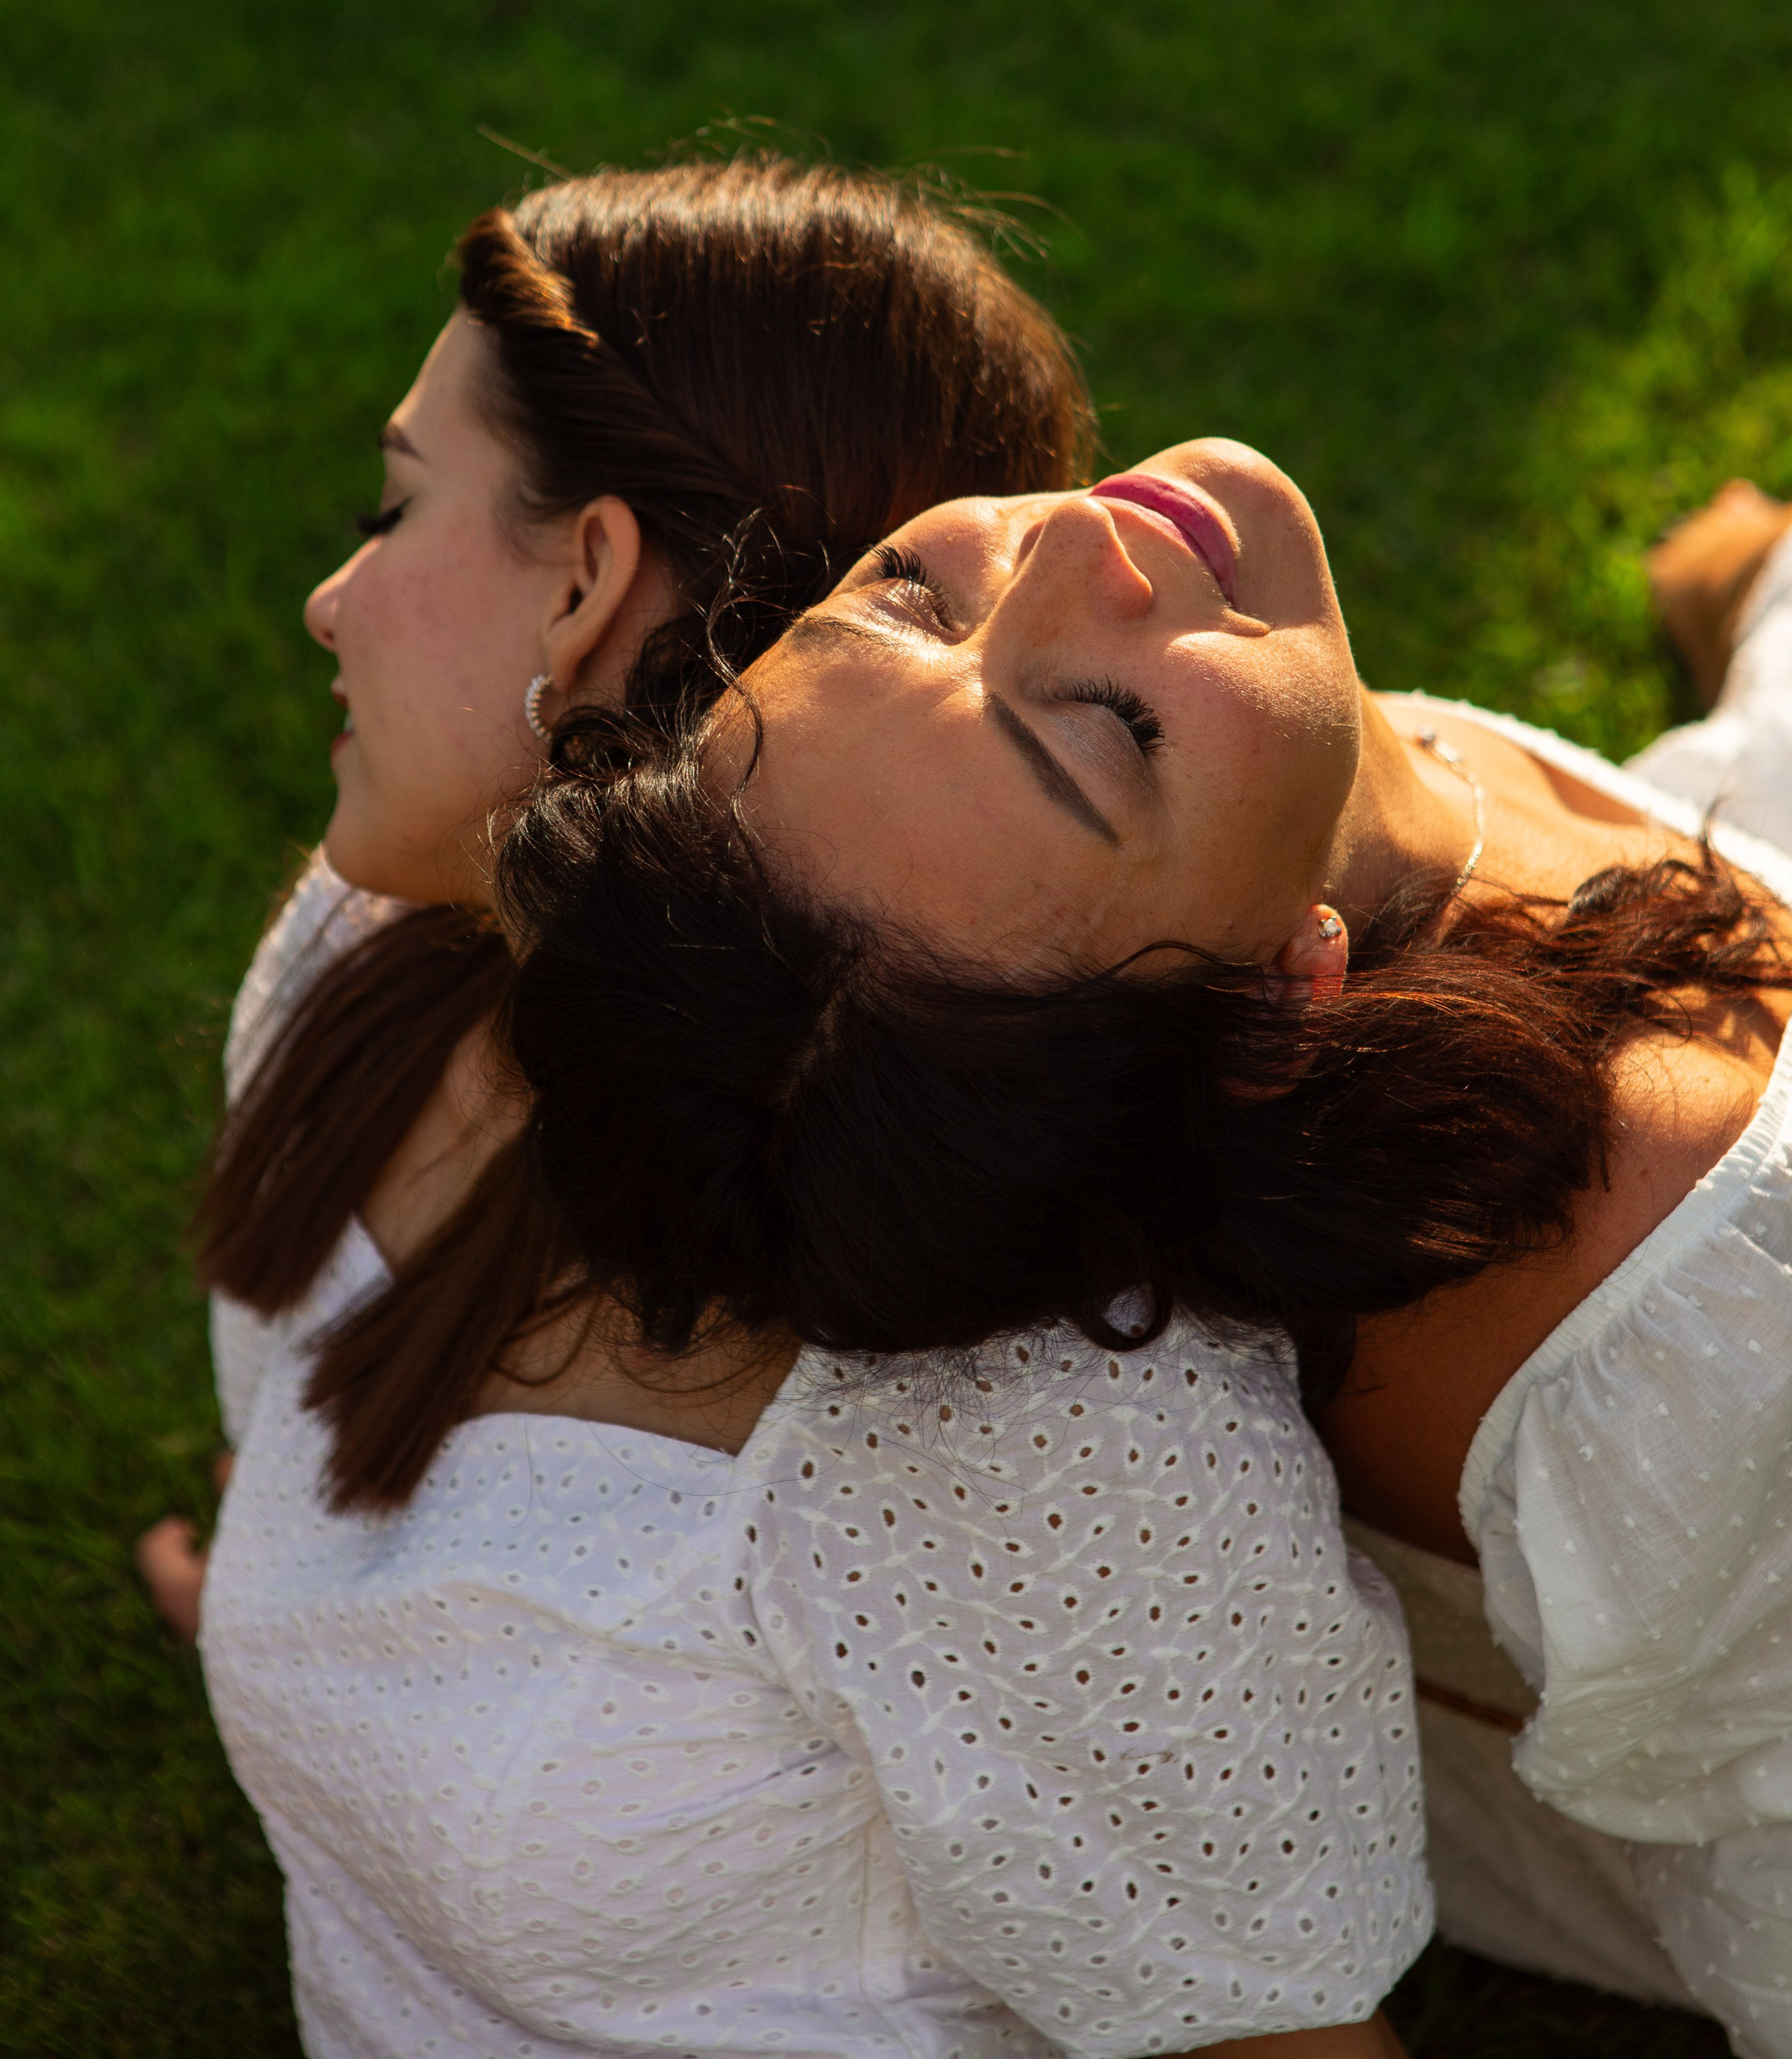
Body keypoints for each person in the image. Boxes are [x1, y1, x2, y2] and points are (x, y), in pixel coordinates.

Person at [172, 188, 1427, 2059]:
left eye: (395, 501)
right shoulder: (366, 952)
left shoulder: (1036, 1470)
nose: (330, 595)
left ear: (596, 583)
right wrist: (311, 1644)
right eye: (908, 596)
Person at [492, 437, 1792, 2056]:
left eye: (904, 595)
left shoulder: (1286, 810)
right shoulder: (1695, 1312)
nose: (1071, 555)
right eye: (1105, 731)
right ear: (1268, 1006)